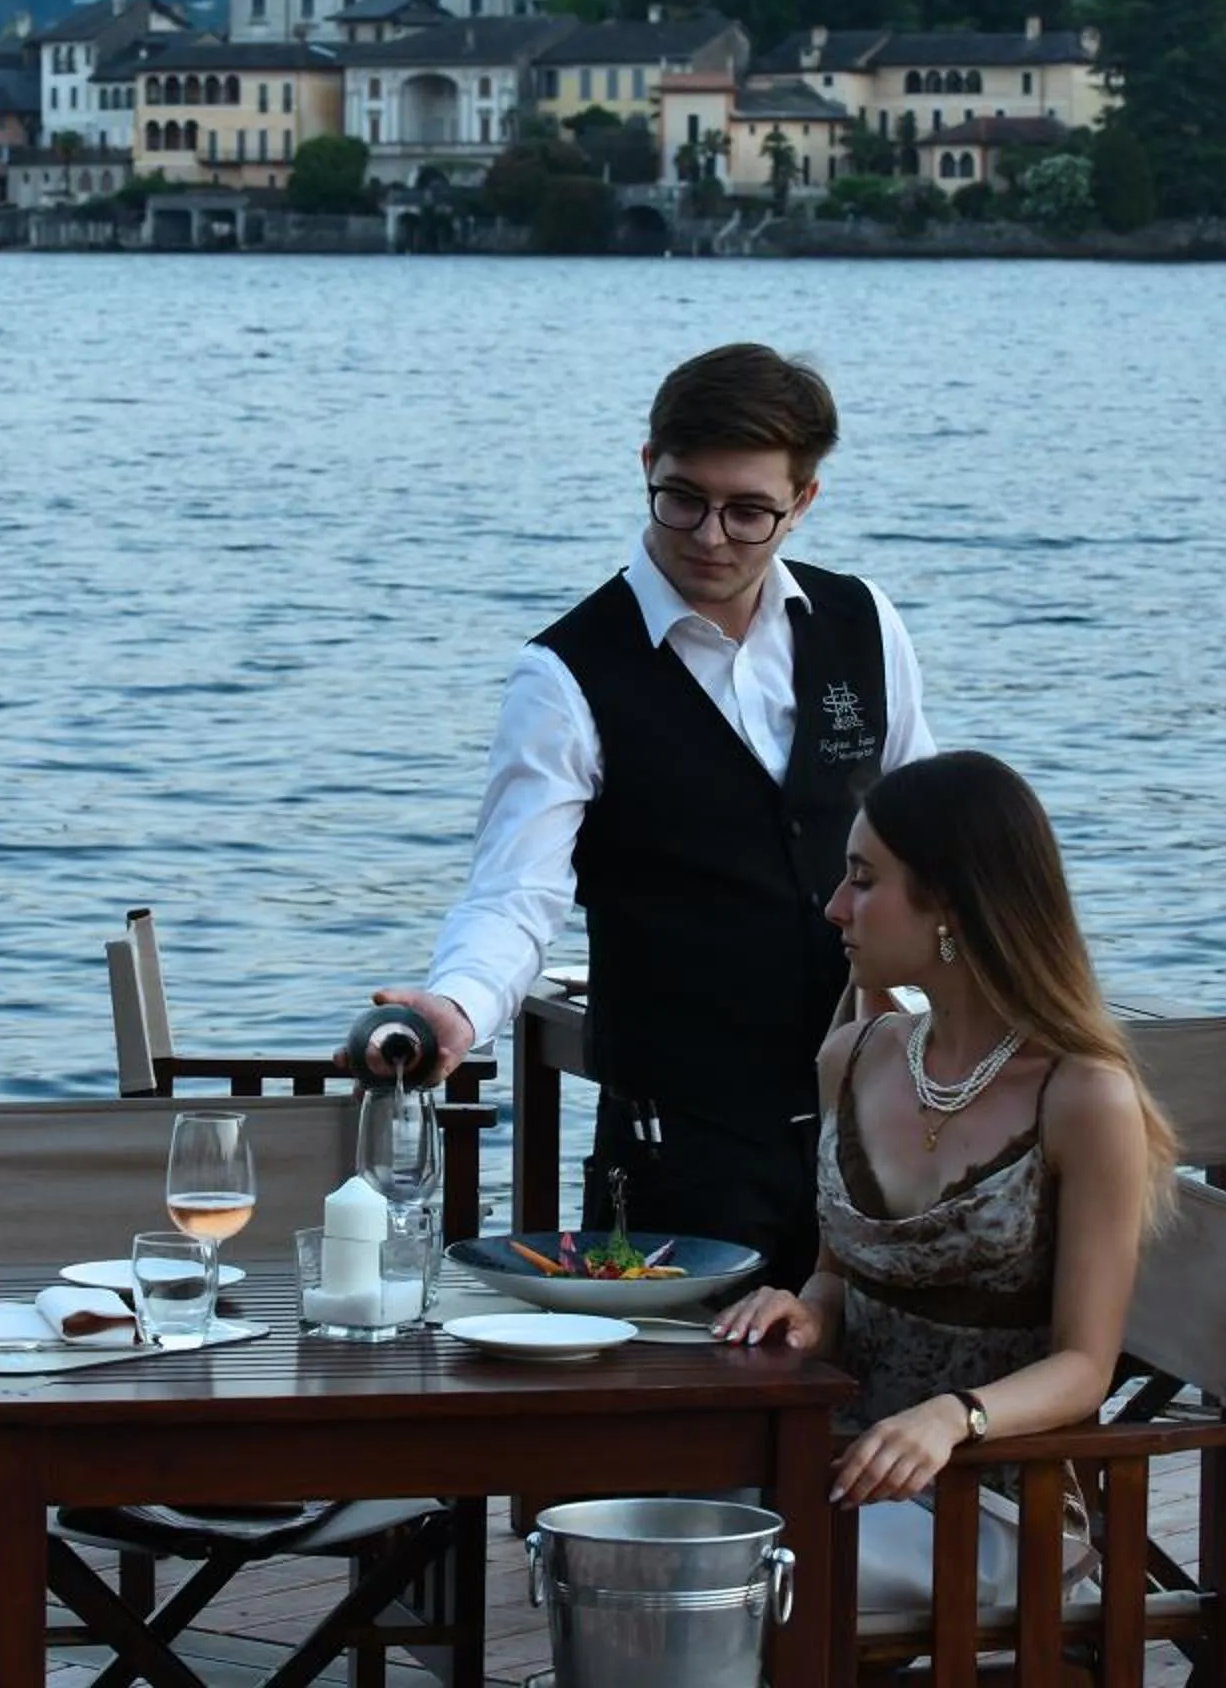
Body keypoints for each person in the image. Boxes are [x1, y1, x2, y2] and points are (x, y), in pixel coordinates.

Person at [364, 343, 933, 1286]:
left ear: (804, 502)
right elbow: (516, 895)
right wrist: (459, 1009)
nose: (710, 535)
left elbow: (936, 844)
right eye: (683, 498)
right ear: (646, 469)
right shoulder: (565, 676)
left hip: (874, 1129)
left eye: (749, 511)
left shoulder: (862, 622)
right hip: (681, 1154)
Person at [710, 750, 1175, 1617]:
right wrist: (807, 1312)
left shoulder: (1082, 1096)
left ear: (953, 905)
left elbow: (1084, 1367)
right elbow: (839, 1273)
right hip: (845, 1462)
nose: (835, 906)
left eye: (863, 879)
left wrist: (949, 1419)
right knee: (642, 1521)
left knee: (720, 1569)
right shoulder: (856, 1058)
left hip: (1002, 1497)